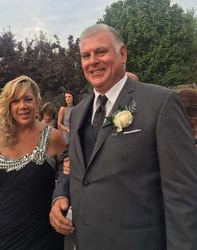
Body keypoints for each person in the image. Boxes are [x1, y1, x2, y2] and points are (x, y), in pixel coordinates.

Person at [50, 24, 197, 250]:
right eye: (86, 56)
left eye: (101, 52)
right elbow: (77, 166)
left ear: (123, 54)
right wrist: (60, 195)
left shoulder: (160, 103)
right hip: (86, 240)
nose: (93, 61)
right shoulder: (79, 111)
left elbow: (182, 193)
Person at [0, 75, 66, 250]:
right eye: (15, 101)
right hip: (4, 233)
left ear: (37, 104)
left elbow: (70, 178)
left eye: (28, 100)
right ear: (8, 105)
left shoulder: (54, 137)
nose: (22, 106)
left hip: (44, 235)